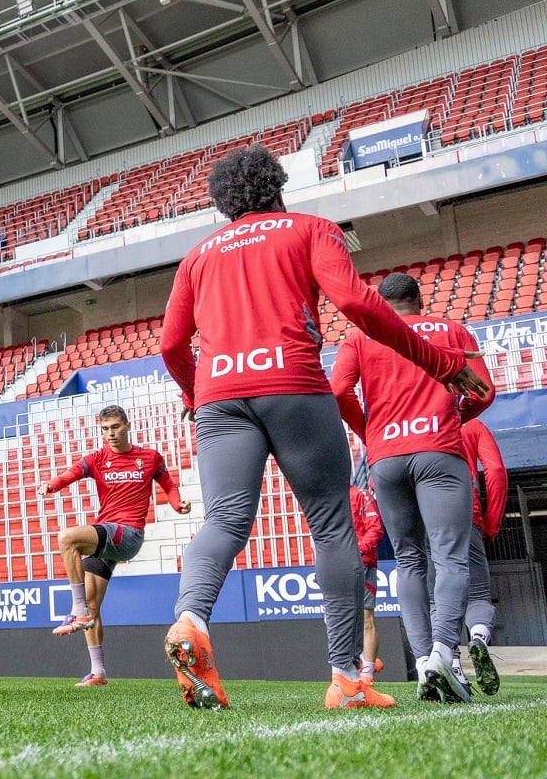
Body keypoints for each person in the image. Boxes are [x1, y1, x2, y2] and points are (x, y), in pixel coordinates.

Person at [159, 146, 489, 711]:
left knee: (225, 520)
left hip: (219, 396)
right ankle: (345, 678)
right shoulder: (310, 229)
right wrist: (439, 362)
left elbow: (170, 345)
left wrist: (196, 394)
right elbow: (358, 304)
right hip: (293, 384)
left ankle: (190, 618)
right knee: (333, 525)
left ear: (223, 204)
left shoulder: (197, 258)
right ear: (277, 189)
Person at [331, 271, 494, 704]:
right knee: (449, 555)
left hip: (386, 457)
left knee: (408, 560)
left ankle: (423, 662)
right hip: (439, 450)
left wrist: (371, 433)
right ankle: (443, 653)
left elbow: (338, 391)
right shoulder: (452, 331)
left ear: (381, 305)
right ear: (419, 301)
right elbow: (483, 392)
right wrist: (454, 419)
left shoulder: (360, 337)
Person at [37, 405, 190, 687]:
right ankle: (98, 672)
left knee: (67, 538)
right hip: (107, 537)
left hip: (128, 534)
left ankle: (77, 608)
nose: (110, 433)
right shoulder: (97, 459)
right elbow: (71, 474)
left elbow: (169, 485)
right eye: (105, 429)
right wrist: (52, 485)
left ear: (127, 426)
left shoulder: (150, 458)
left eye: (116, 427)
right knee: (93, 604)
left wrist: (177, 503)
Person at [458, 418, 507, 696]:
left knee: (437, 599)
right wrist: (492, 522)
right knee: (478, 595)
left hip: (425, 520)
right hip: (467, 515)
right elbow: (496, 470)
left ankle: (450, 664)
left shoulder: (416, 421)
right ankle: (478, 636)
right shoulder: (473, 425)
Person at [350, 484, 385, 685]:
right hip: (337, 566)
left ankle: (367, 674)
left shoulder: (360, 495)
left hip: (362, 563)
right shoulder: (328, 499)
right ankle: (364, 659)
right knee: (335, 619)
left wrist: (357, 550)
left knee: (365, 618)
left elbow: (375, 528)